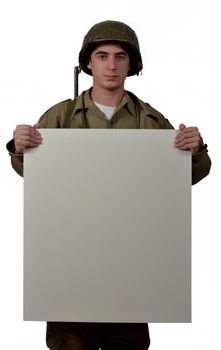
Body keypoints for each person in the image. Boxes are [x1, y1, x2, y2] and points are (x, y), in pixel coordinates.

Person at [7, 20, 211, 350]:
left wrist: (194, 148)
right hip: (70, 269)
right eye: (102, 56)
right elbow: (32, 174)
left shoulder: (152, 121)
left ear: (132, 64)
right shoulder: (60, 116)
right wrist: (19, 146)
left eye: (120, 57)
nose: (111, 65)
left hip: (131, 271)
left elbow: (185, 178)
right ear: (88, 62)